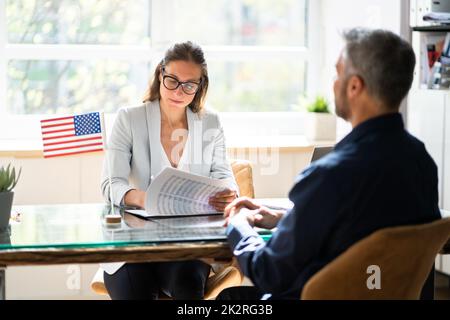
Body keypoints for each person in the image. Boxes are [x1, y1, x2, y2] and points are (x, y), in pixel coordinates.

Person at [219, 28, 442, 300]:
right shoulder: (421, 162)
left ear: (354, 86)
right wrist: (282, 218)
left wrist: (238, 224)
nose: (334, 82)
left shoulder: (331, 176)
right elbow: (360, 230)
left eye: (338, 72)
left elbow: (269, 273)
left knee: (228, 300)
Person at [100, 41, 238, 300]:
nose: (179, 91)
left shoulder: (211, 122)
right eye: (172, 80)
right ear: (160, 74)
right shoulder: (129, 118)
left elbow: (225, 176)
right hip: (132, 246)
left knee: (188, 287)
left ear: (200, 86)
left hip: (186, 246)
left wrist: (228, 193)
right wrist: (142, 197)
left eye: (189, 85)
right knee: (136, 292)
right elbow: (111, 185)